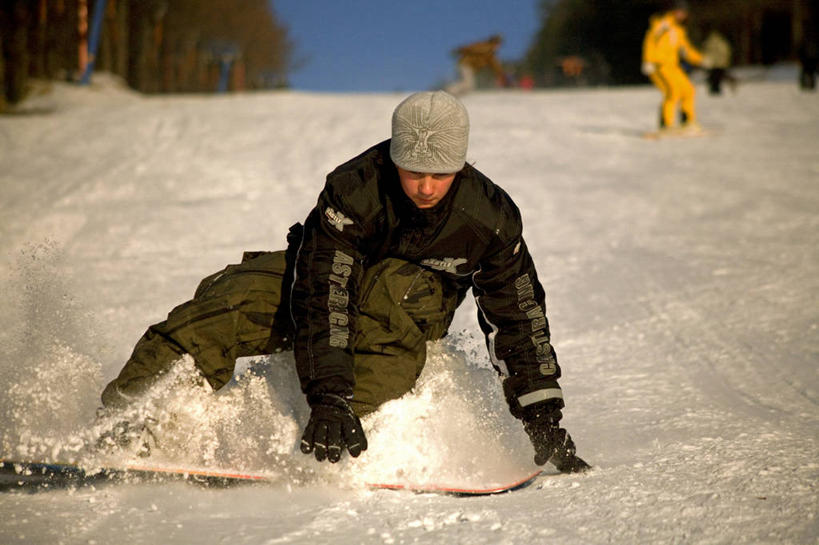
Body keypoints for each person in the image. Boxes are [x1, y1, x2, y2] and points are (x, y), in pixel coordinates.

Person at [100, 91, 588, 473]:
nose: (424, 187)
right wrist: (328, 392)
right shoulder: (355, 189)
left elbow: (518, 317)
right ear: (394, 156)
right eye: (413, 170)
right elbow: (324, 291)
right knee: (226, 301)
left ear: (460, 165)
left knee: (392, 297)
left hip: (403, 315)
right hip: (328, 281)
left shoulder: (490, 219)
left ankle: (271, 436)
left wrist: (542, 416)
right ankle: (122, 427)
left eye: (439, 174)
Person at [641, 1, 710, 130]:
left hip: (672, 66)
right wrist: (648, 60)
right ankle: (666, 124)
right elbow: (650, 40)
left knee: (689, 90)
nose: (681, 15)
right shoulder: (663, 24)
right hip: (658, 64)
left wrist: (700, 59)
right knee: (673, 92)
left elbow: (685, 50)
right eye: (679, 11)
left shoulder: (679, 30)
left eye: (683, 12)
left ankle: (688, 122)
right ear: (673, 11)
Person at [702, 30, 737, 95]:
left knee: (713, 77)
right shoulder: (722, 42)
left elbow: (705, 52)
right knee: (719, 76)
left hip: (711, 63)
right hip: (721, 63)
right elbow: (727, 52)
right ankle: (717, 89)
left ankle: (714, 90)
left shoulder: (708, 42)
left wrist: (706, 61)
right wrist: (726, 61)